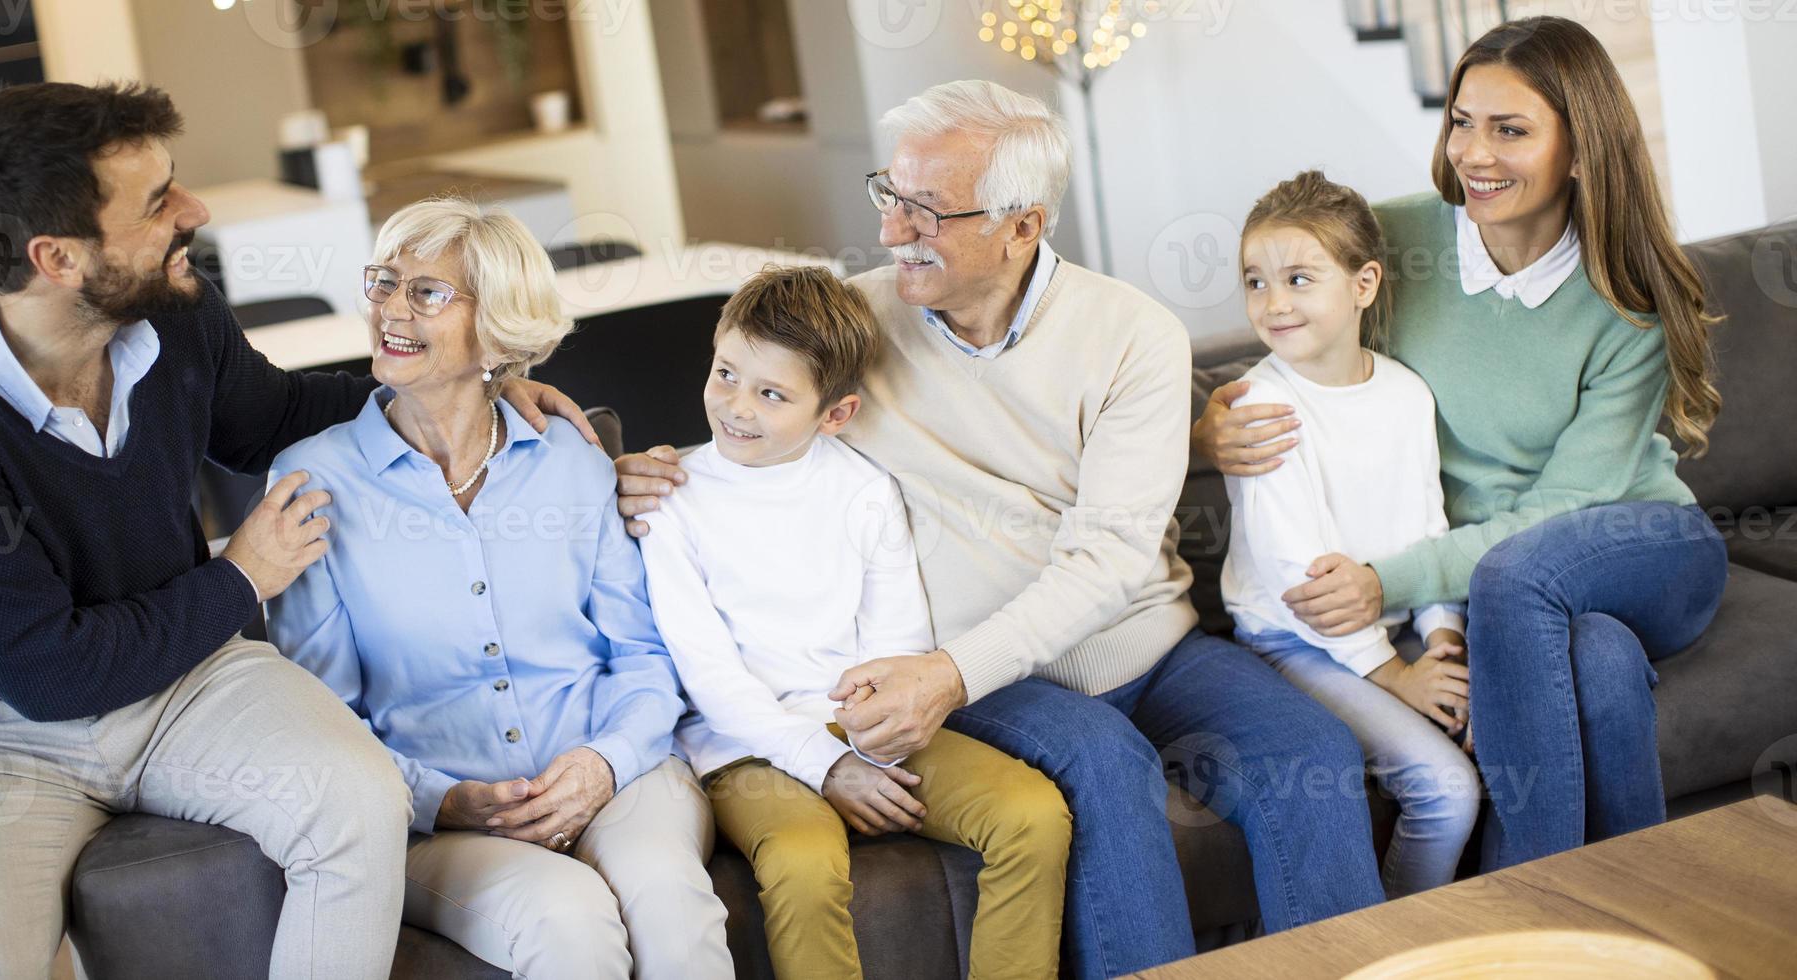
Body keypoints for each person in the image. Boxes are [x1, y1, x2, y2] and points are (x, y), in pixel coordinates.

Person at [613, 80, 1384, 977]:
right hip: (988, 670)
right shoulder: (859, 321)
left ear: (1023, 225)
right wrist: (634, 468)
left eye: (928, 212)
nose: (895, 230)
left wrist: (947, 676)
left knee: (1314, 751)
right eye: (889, 197)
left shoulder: (1133, 334)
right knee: (1107, 769)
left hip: (1137, 644)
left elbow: (1109, 558)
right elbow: (751, 411)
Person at [0, 82, 413, 978]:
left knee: (363, 803)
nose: (195, 211)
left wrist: (453, 399)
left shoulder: (175, 319)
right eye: (157, 203)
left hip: (196, 679)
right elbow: (48, 671)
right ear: (58, 257)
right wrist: (241, 575)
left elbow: (279, 414)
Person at [1190, 18, 1727, 869]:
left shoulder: (1626, 299)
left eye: (1510, 130)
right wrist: (1209, 431)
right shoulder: (1399, 242)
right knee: (1599, 660)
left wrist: (1391, 585)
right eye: (1460, 121)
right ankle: (1640, 903)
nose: (1474, 153)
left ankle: (1523, 899)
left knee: (1520, 575)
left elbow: (1563, 511)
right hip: (1502, 585)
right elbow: (1296, 338)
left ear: (1582, 150)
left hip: (1641, 543)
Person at [264, 198, 734, 980]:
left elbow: (642, 654)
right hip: (438, 825)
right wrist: (441, 801)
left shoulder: (571, 461)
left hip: (617, 770)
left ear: (497, 325)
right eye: (383, 282)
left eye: (426, 291)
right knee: (569, 924)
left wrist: (605, 762)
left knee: (670, 902)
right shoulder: (313, 482)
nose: (390, 308)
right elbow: (324, 717)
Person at [638, 265, 1071, 980]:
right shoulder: (671, 502)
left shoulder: (864, 491)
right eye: (725, 375)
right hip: (747, 746)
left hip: (865, 724)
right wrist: (827, 765)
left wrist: (874, 746)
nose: (736, 406)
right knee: (805, 861)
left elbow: (896, 643)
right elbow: (710, 677)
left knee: (1031, 815)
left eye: (772, 394)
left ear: (833, 413)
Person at [1221, 170, 1481, 897]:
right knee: (1446, 792)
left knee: (1500, 734)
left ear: (1363, 284)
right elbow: (1303, 581)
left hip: (1392, 632)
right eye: (1256, 282)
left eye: (1299, 279)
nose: (1274, 304)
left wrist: (1439, 642)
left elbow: (1428, 535)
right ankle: (1395, 950)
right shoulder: (1263, 406)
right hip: (1296, 644)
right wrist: (1396, 677)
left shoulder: (1406, 393)